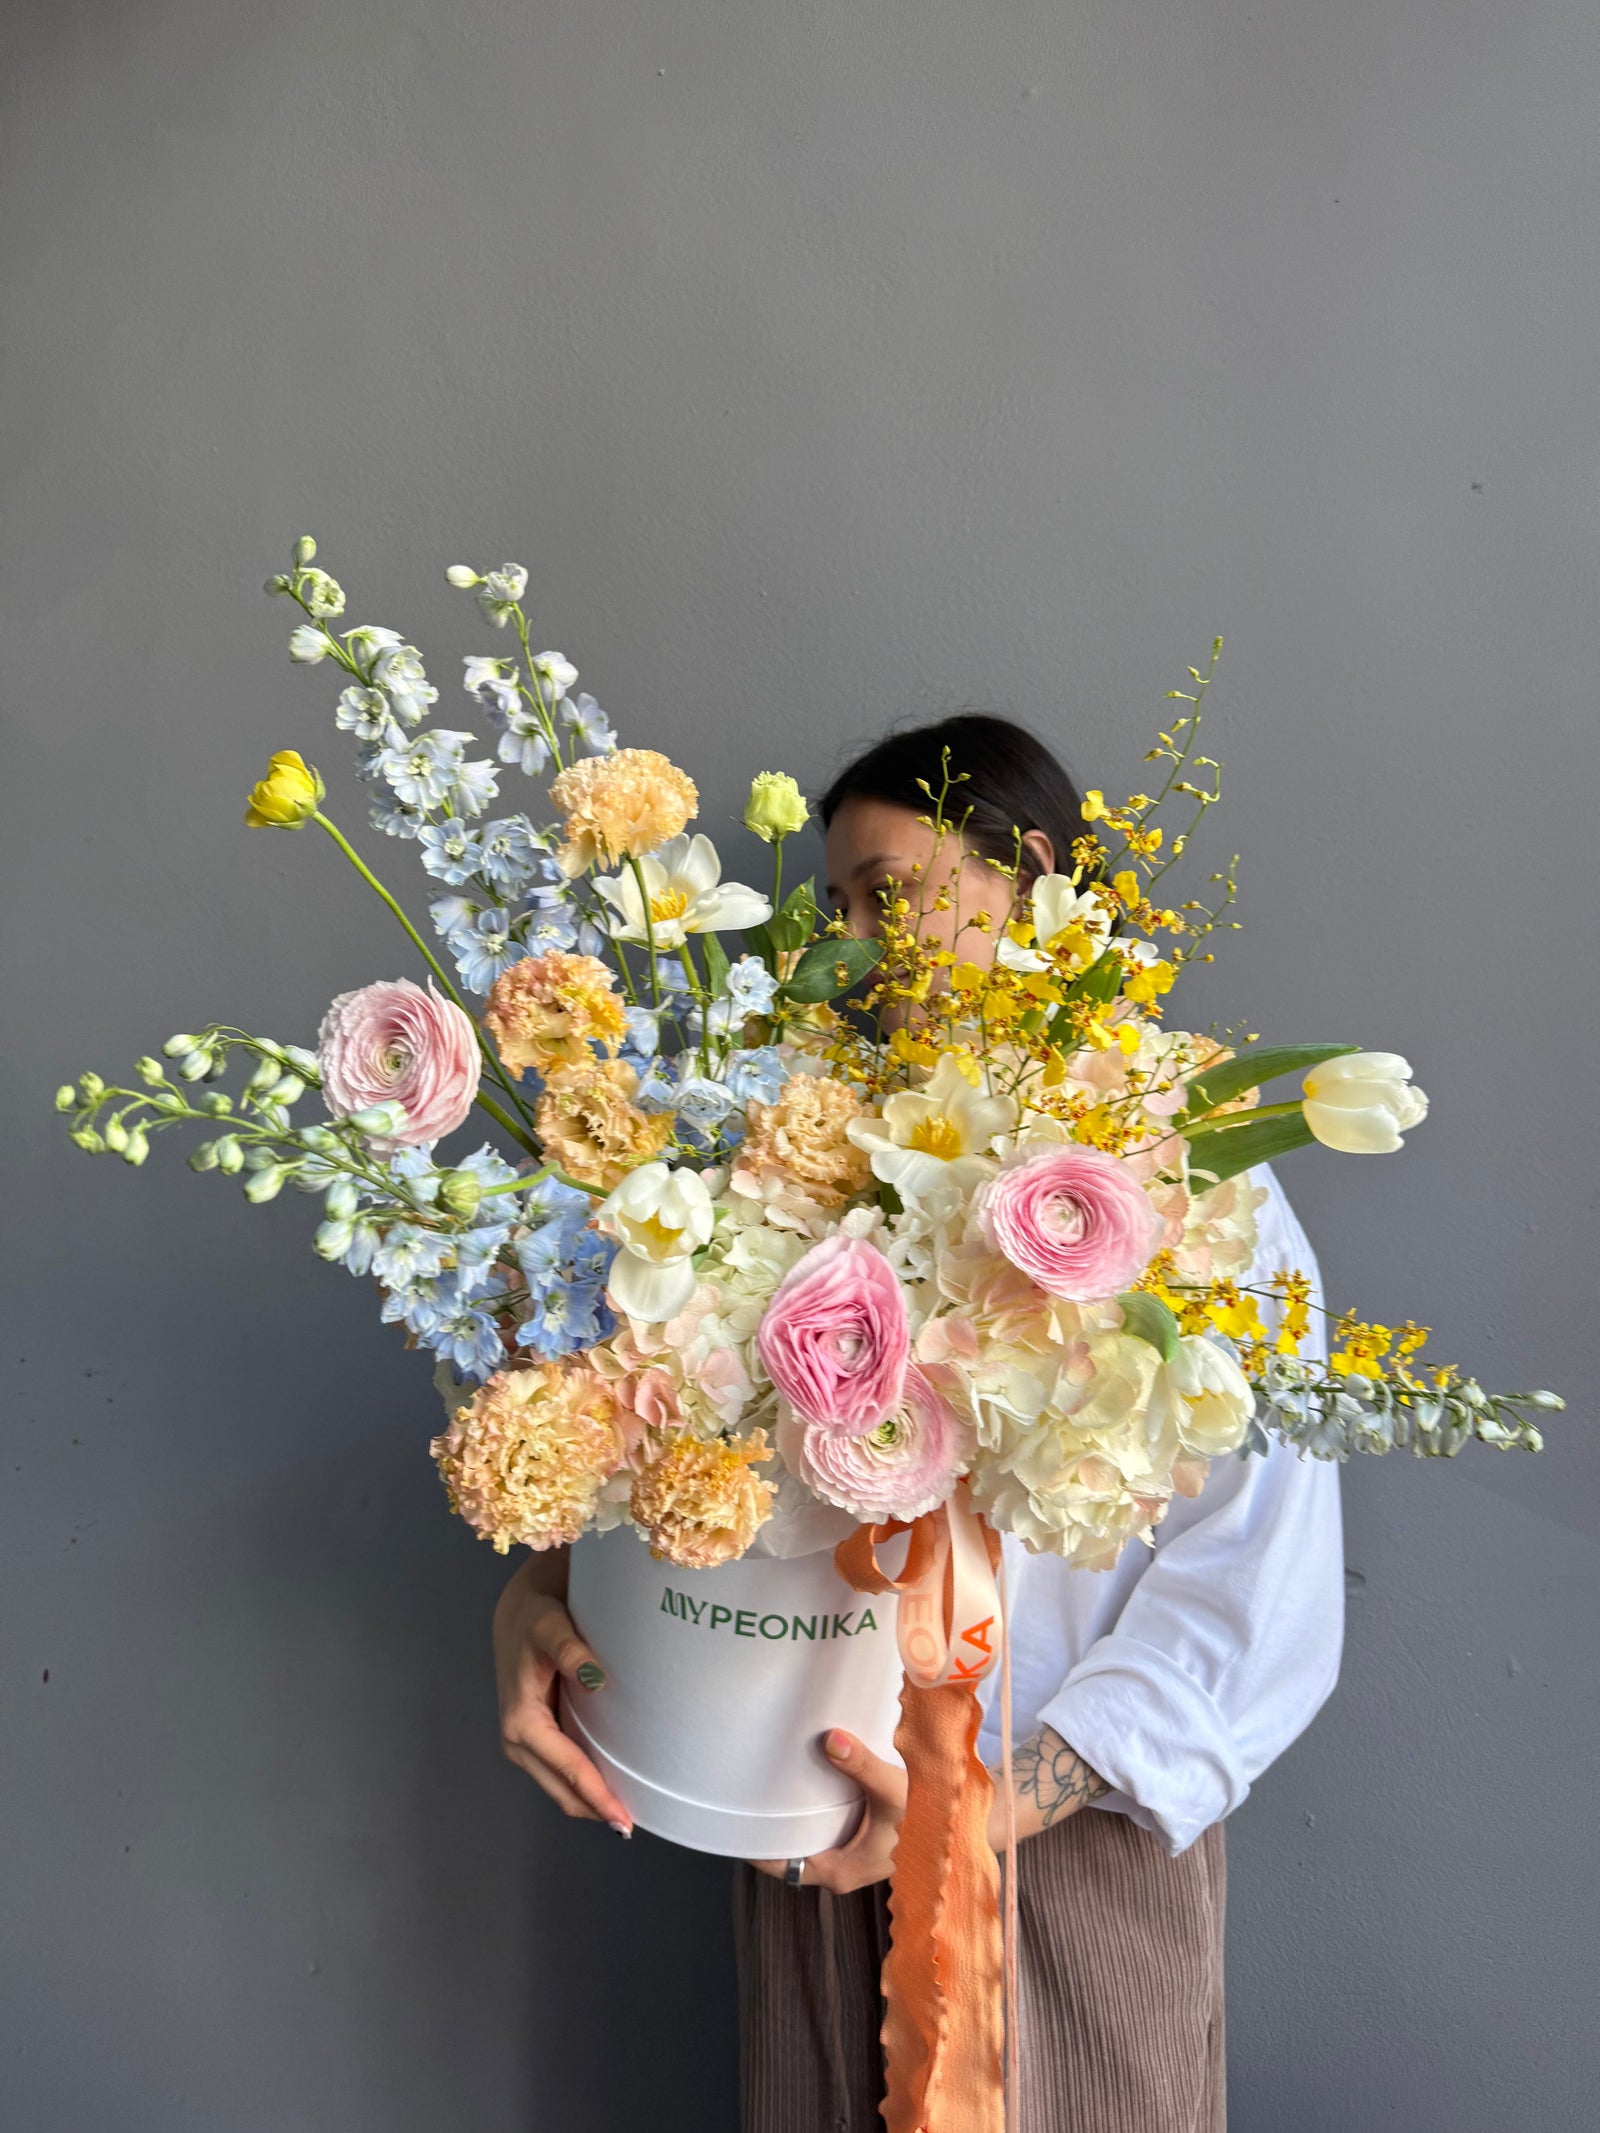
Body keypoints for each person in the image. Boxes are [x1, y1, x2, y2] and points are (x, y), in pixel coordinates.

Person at [490, 713, 1345, 2133]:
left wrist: (996, 1803)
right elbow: (681, 1465)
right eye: (835, 906)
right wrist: (542, 1595)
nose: (853, 940)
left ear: (1046, 886)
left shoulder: (1191, 1191)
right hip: (806, 1827)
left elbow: (1260, 1586)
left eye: (891, 891)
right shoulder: (791, 1163)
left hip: (1071, 1867)